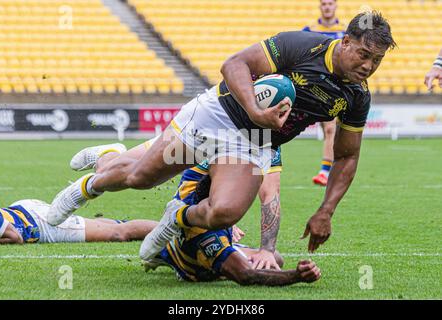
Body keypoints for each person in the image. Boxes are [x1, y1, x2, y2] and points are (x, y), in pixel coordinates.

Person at [47, 12, 396, 262]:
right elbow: (233, 65)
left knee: (224, 213)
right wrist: (256, 111)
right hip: (218, 115)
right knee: (140, 177)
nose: (368, 66)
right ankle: (86, 188)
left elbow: (347, 156)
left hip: (254, 144)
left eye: (376, 61)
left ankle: (177, 217)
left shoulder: (357, 97)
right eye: (364, 55)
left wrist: (326, 211)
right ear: (346, 42)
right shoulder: (303, 45)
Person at [68, 139, 284, 269]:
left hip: (200, 178)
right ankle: (106, 154)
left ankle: (170, 254)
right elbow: (200, 182)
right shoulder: (220, 118)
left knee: (274, 259)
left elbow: (269, 193)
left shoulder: (266, 138)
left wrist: (266, 249)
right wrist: (220, 212)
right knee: (111, 172)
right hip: (187, 133)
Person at [143, 171, 321, 285]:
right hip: (195, 268)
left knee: (274, 258)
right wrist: (295, 276)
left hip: (186, 226)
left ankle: (164, 246)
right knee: (265, 265)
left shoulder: (198, 184)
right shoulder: (207, 238)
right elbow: (245, 275)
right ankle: (170, 255)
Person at [303, 0, 346, 186]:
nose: (327, 7)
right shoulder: (309, 30)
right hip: (311, 86)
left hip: (333, 87)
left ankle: (325, 171)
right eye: (324, 3)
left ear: (336, 6)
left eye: (330, 3)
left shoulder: (346, 31)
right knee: (327, 130)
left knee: (330, 129)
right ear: (320, 6)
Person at [0, 199, 157, 244]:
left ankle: (171, 229)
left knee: (117, 234)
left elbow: (16, 238)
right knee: (96, 226)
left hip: (38, 222)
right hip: (24, 212)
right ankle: (119, 223)